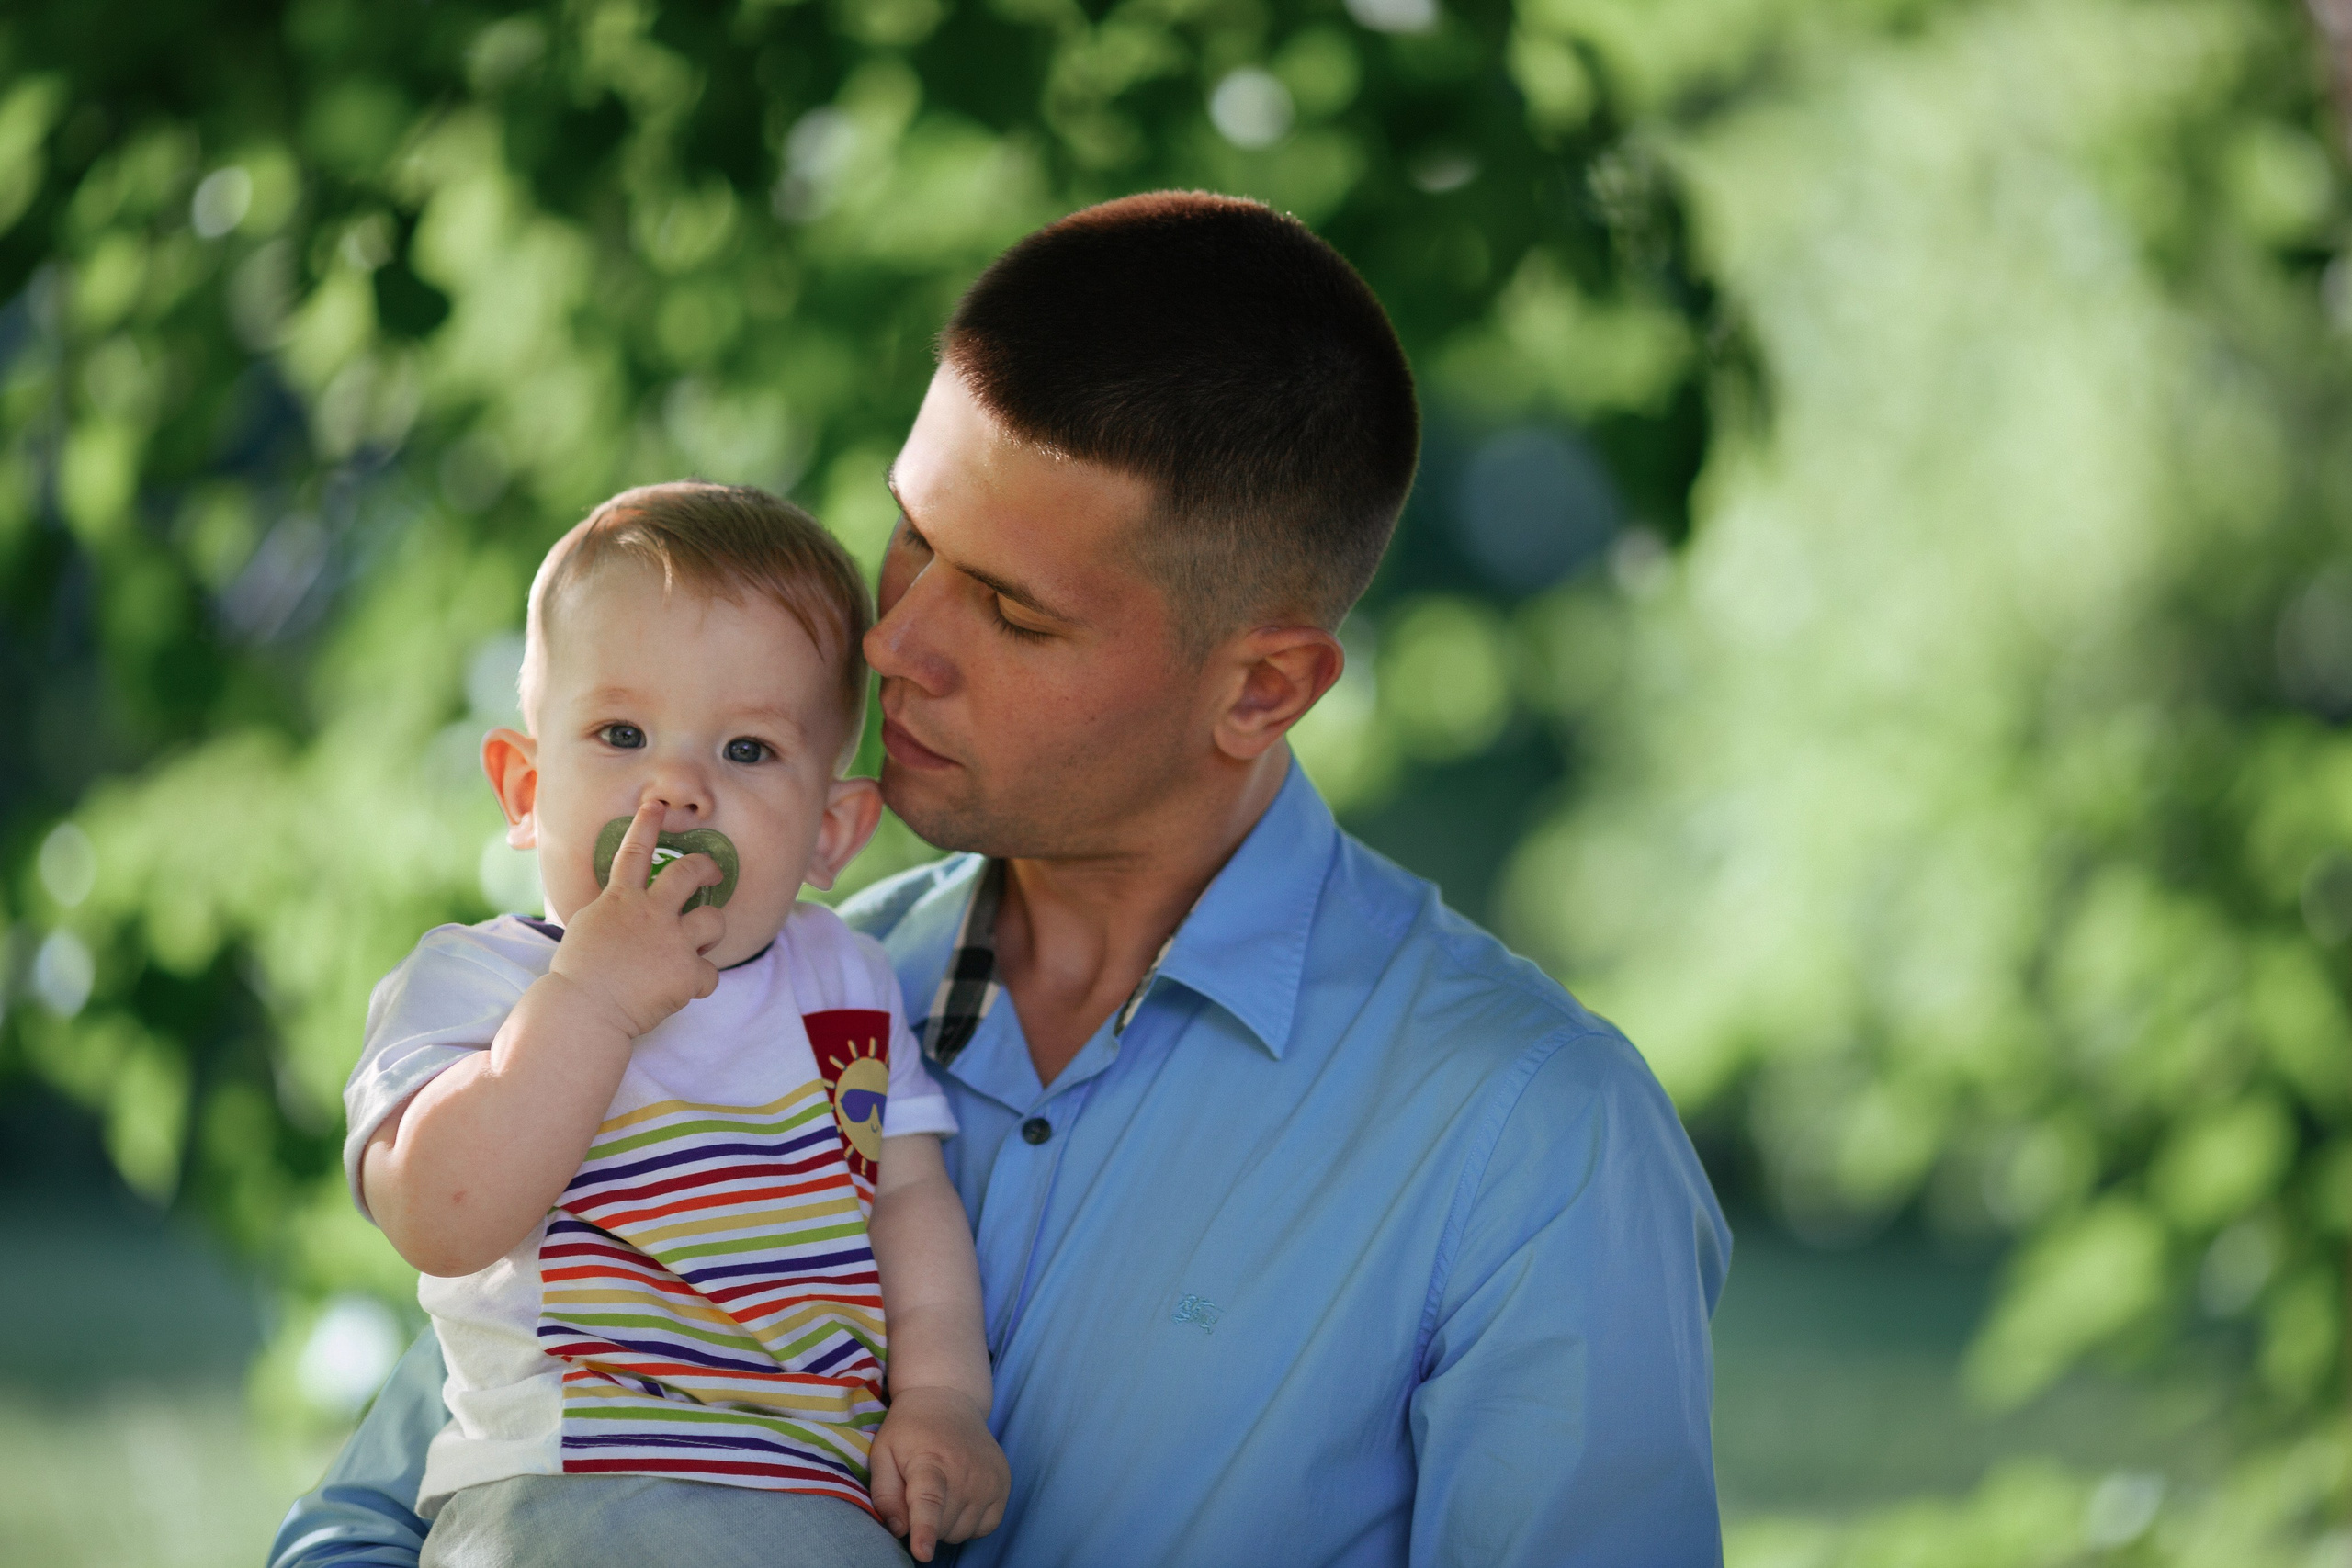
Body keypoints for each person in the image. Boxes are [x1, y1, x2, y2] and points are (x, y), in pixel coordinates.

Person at [272, 191, 1731, 1568]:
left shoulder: (1537, 1146)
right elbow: (369, 1519)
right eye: (914, 530)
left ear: (1262, 687)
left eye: (1014, 610)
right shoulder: (732, 969)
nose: (896, 638)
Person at [342, 484, 1008, 1567]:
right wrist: (594, 1000)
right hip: (572, 1490)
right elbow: (442, 1215)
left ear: (830, 832)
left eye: (747, 751)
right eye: (620, 733)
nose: (679, 787)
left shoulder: (845, 977)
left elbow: (908, 1199)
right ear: (524, 785)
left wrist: (941, 1401)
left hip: (820, 1500)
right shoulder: (477, 981)